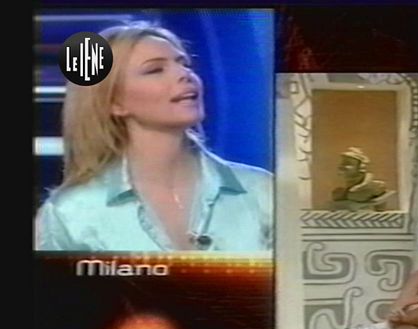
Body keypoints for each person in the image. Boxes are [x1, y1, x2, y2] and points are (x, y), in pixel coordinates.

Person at [35, 22, 272, 252]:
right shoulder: (70, 214)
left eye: (184, 64)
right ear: (115, 103)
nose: (185, 74)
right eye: (155, 70)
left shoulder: (262, 192)